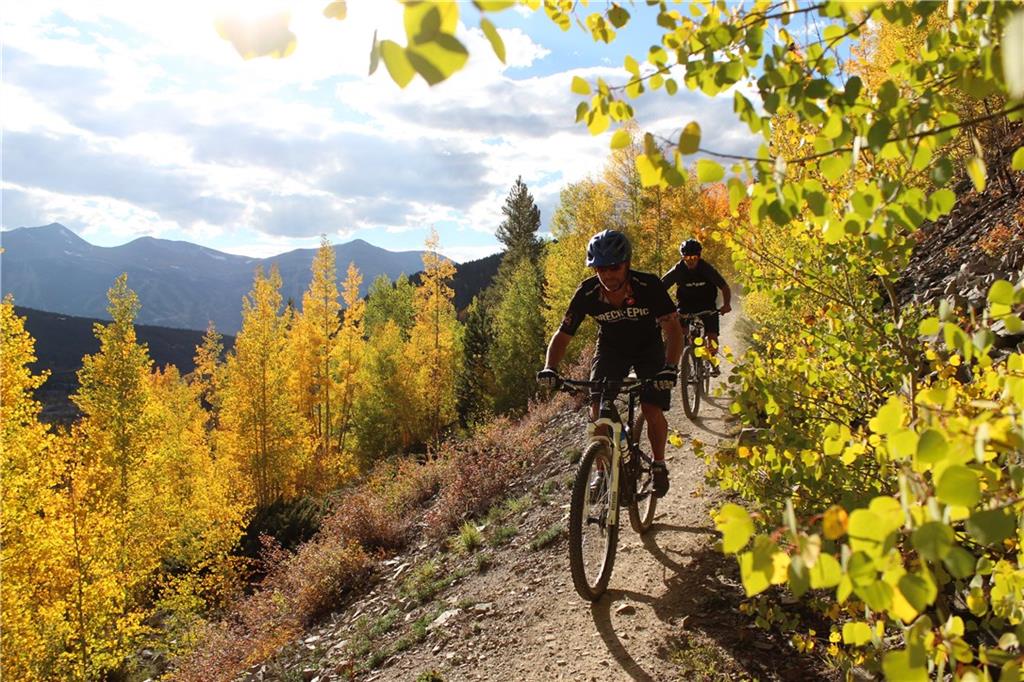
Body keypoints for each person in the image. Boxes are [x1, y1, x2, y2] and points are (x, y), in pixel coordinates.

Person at [536, 230, 683, 497]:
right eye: (600, 268)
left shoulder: (648, 286)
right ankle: (601, 469)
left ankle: (659, 464)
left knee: (651, 407)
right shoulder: (588, 292)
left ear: (626, 263)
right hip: (612, 349)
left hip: (648, 348)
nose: (607, 275)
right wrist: (550, 368)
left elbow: (673, 331)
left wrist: (670, 368)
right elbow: (563, 335)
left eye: (614, 267)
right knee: (597, 408)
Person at [661, 238, 731, 376]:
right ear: (682, 257)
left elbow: (724, 287)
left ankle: (712, 362)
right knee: (679, 333)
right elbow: (660, 287)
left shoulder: (706, 268)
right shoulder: (678, 269)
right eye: (687, 257)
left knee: (711, 336)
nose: (691, 260)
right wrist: (663, 307)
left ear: (699, 256)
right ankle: (677, 363)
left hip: (707, 305)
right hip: (685, 305)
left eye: (694, 257)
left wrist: (726, 304)